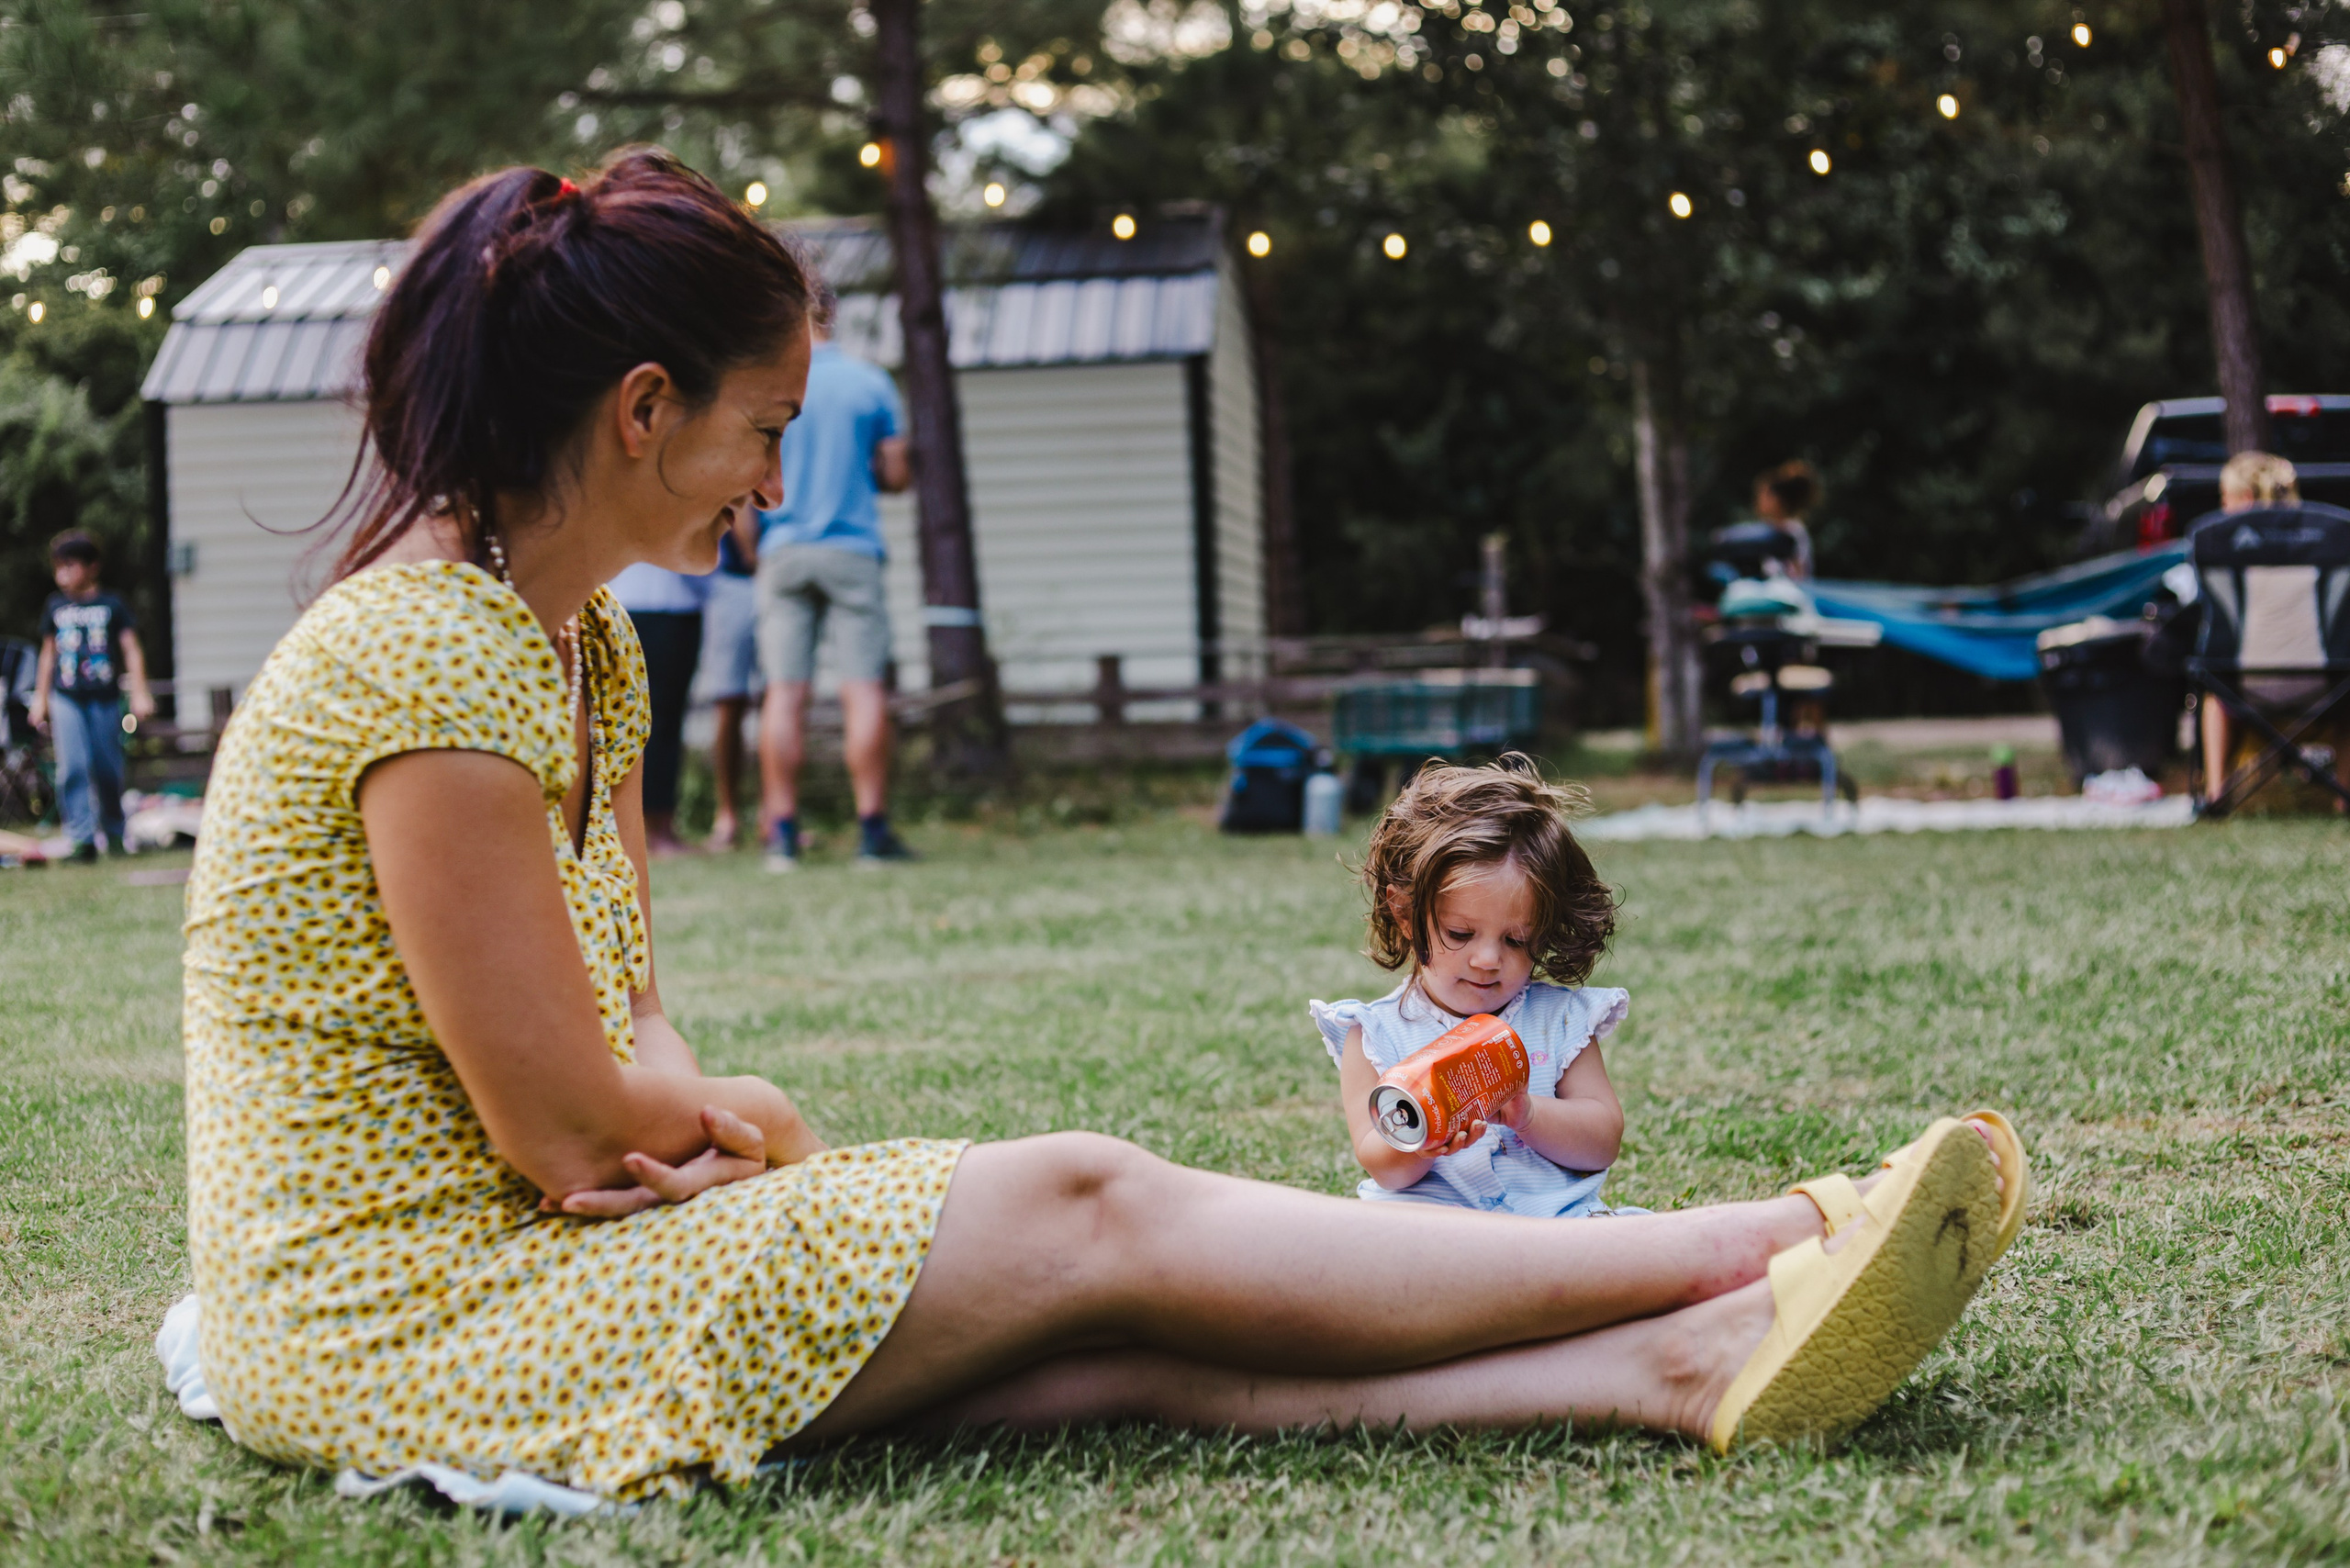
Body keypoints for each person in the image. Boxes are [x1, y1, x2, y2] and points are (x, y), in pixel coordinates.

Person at [178, 151, 2029, 1505]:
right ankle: (1756, 1234)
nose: (778, 475)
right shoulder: (424, 654)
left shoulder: (579, 647)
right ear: (644, 410)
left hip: (550, 1258)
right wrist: (734, 1129)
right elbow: (566, 1119)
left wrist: (688, 1105)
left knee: (1089, 1344)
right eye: (767, 425)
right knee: (1084, 1198)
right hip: (412, 1317)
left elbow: (628, 1019)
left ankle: (1672, 1364)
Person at [1315, 757, 1639, 1217]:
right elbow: (1383, 1167)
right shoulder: (1373, 1034)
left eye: (1516, 939)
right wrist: (1420, 1140)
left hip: (1553, 1229)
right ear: (1406, 914)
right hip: (1436, 1234)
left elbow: (1602, 1140)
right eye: (1461, 934)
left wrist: (1528, 1115)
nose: (1488, 960)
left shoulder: (1560, 1020)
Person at [753, 284, 914, 871]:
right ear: (835, 313)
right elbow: (896, 475)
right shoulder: (870, 383)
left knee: (784, 693)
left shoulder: (771, 381)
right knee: (863, 688)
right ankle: (871, 831)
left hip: (786, 546)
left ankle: (783, 836)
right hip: (852, 547)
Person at [30, 530, 153, 861]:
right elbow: (47, 654)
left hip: (105, 697)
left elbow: (131, 649)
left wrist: (140, 691)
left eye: (70, 566)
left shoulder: (112, 604)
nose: (62, 574)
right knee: (73, 766)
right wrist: (40, 698)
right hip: (66, 697)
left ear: (92, 567)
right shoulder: (55, 606)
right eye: (58, 567)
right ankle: (82, 838)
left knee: (107, 768)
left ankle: (114, 832)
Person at [2197, 450, 2302, 802]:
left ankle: (2216, 795)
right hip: (2325, 686)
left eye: (2225, 498)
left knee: (2214, 695)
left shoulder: (2224, 552)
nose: (2223, 506)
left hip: (2249, 685)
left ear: (2244, 498)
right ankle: (2342, 796)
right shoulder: (2322, 542)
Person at [606, 563, 706, 855]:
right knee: (649, 723)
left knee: (668, 720)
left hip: (680, 607)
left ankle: (662, 825)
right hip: (641, 607)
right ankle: (649, 829)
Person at [697, 520, 762, 849]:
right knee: (728, 699)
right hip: (734, 581)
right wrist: (755, 557)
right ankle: (728, 815)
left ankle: (774, 816)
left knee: (778, 700)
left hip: (778, 574)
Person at [1751, 460, 1822, 580]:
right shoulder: (1768, 528)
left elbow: (1799, 577)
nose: (1757, 501)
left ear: (1776, 500)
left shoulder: (1792, 533)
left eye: (1763, 495)